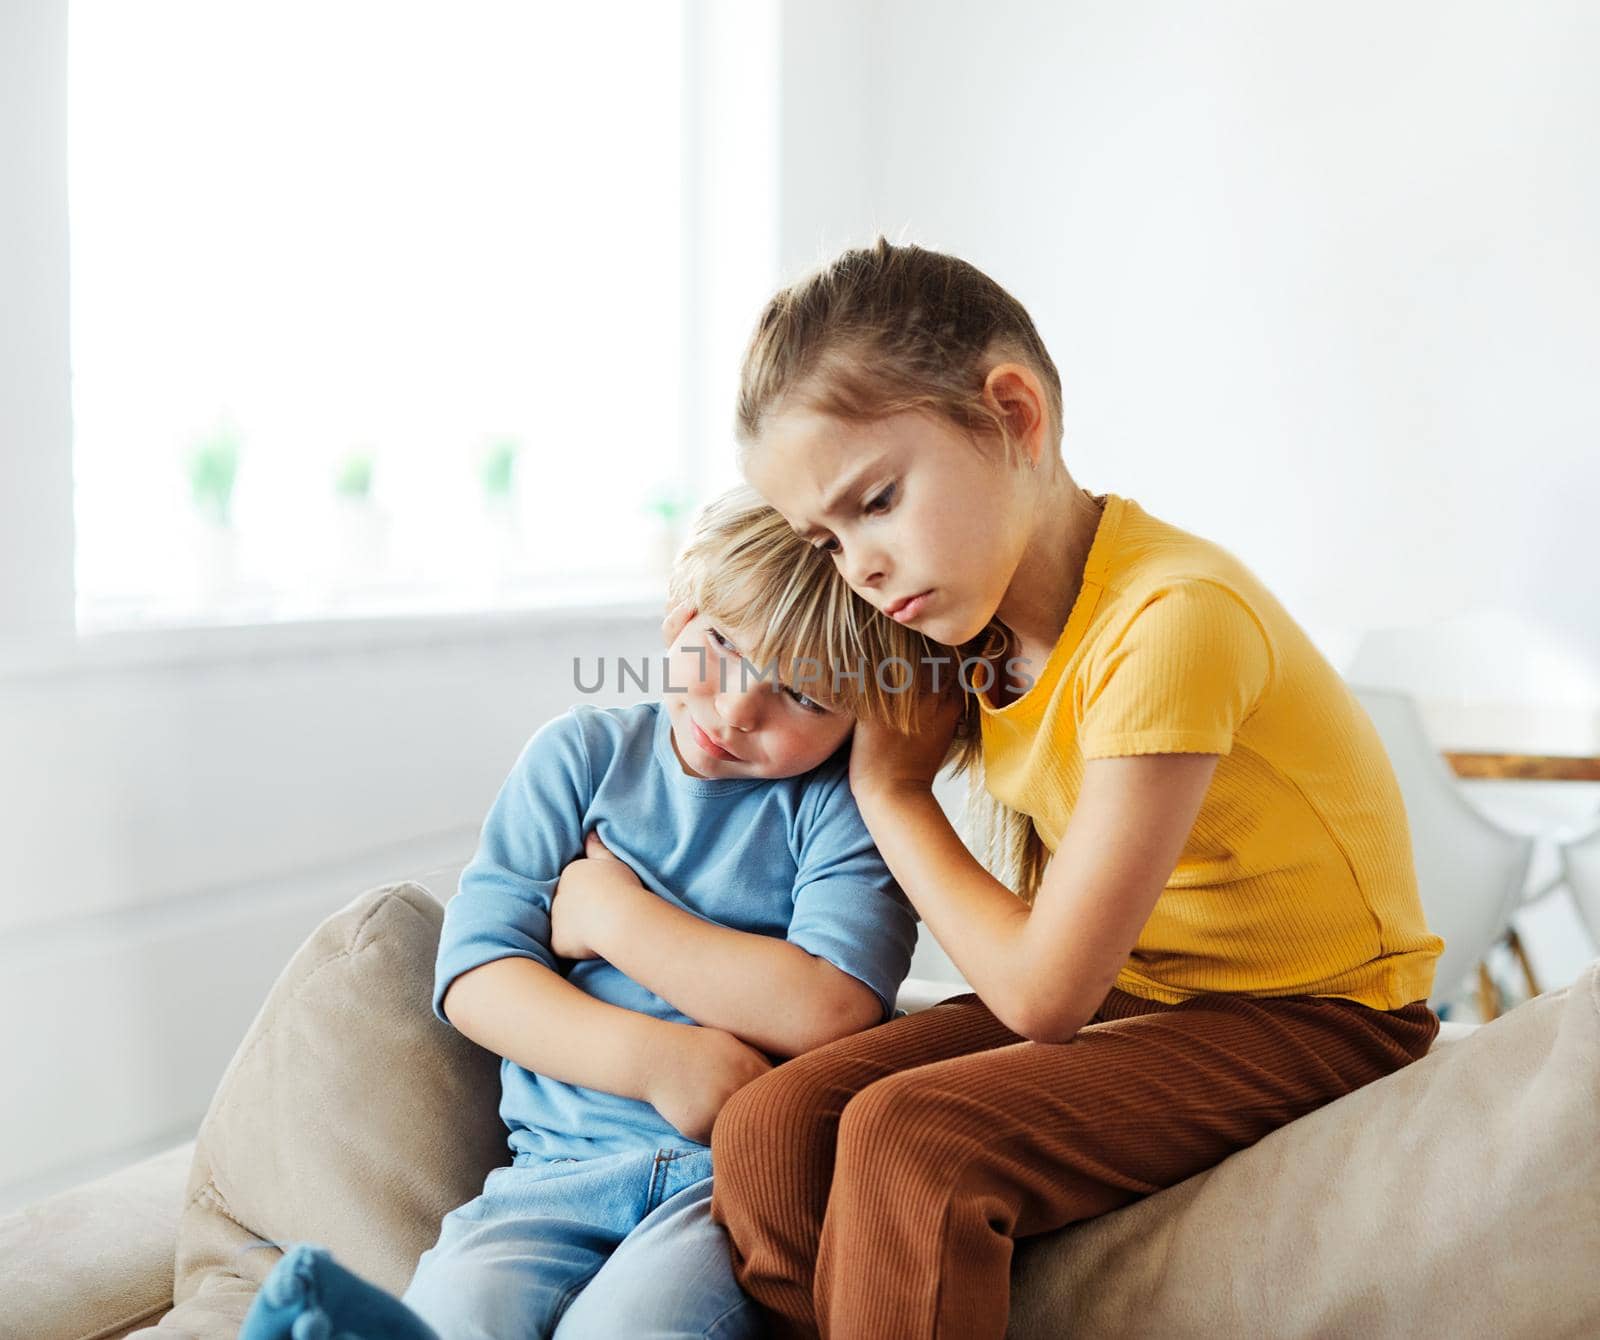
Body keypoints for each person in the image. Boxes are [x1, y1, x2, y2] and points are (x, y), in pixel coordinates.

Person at [708, 238, 1447, 1340]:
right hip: (1142, 994)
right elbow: (776, 646)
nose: (854, 565)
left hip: (1317, 1012)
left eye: (876, 500)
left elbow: (1044, 995)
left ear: (1013, 414)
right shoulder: (975, 619)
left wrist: (895, 791)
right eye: (823, 538)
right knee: (773, 1124)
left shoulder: (1171, 621)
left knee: (917, 1137)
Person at [237, 486, 944, 1340]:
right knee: (462, 1311)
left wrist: (614, 918)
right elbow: (477, 980)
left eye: (804, 696)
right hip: (547, 1178)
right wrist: (662, 1062)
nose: (737, 709)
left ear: (868, 715)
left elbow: (828, 1012)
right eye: (721, 646)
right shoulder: (581, 758)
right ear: (680, 612)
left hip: (726, 1196)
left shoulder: (845, 811)